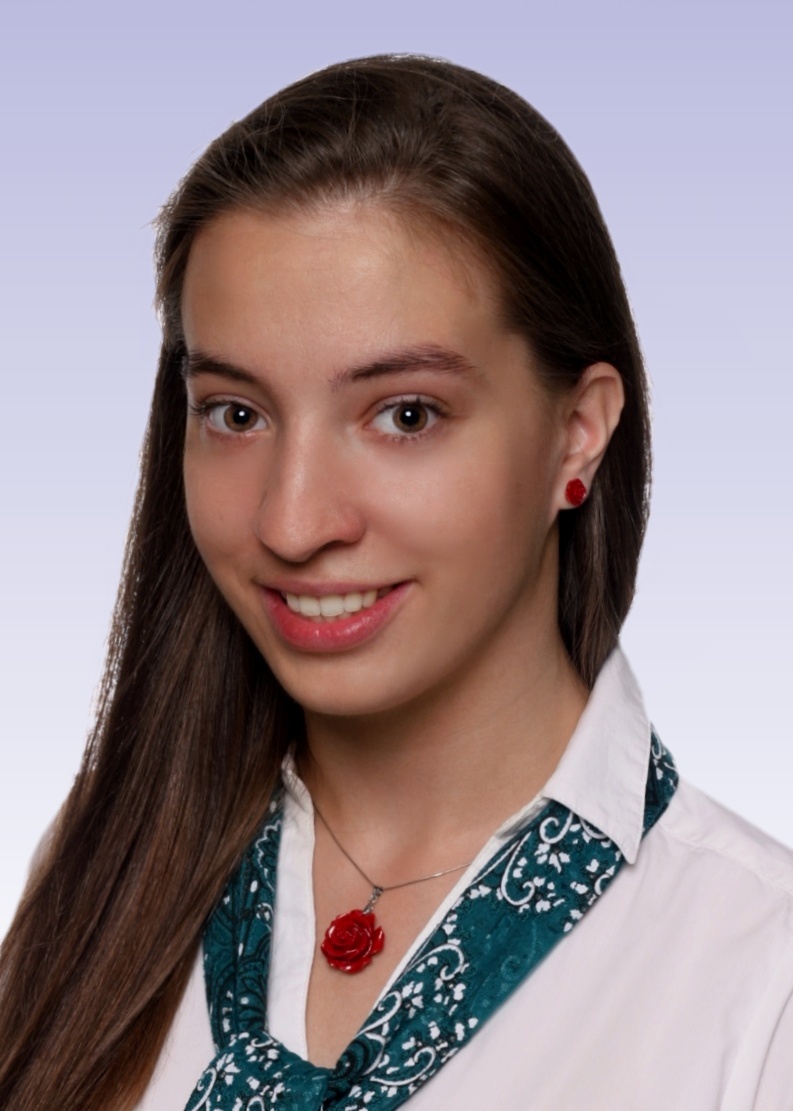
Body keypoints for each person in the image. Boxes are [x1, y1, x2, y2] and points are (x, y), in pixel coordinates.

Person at [1, 53, 793, 1111]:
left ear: (578, 429)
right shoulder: (102, 868)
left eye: (404, 414)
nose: (291, 523)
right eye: (236, 413)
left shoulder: (758, 976)